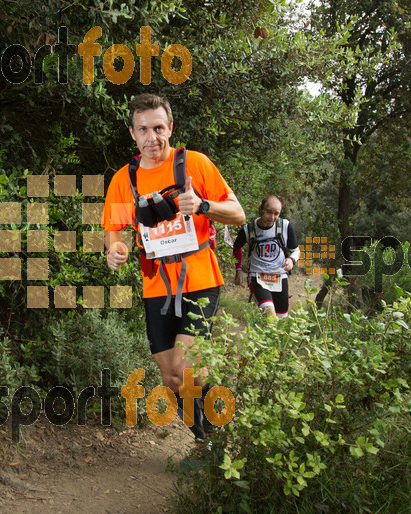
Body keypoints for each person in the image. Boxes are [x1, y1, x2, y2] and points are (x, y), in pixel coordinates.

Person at [101, 93, 245, 463]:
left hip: (199, 280)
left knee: (187, 369)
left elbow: (239, 214)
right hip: (156, 287)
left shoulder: (194, 164)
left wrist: (203, 205)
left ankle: (213, 438)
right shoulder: (124, 179)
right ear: (132, 133)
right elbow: (114, 232)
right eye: (144, 129)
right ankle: (205, 434)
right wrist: (115, 251)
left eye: (159, 128)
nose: (153, 137)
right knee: (171, 378)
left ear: (171, 128)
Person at [233, 195, 300, 318]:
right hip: (258, 276)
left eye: (276, 214)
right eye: (269, 212)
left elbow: (296, 250)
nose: (272, 217)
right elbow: (237, 247)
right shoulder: (249, 229)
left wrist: (291, 260)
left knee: (282, 321)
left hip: (280, 277)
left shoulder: (285, 226)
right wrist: (238, 269)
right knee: (270, 317)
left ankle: (262, 337)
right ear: (261, 210)